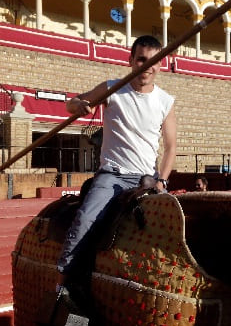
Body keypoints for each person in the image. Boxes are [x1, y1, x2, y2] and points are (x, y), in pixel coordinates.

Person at [56, 35, 177, 296]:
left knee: (172, 227)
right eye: (142, 59)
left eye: (154, 61)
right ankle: (65, 285)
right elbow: (72, 103)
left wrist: (162, 180)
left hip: (148, 178)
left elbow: (171, 148)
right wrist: (79, 105)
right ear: (131, 60)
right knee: (87, 218)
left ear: (161, 65)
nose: (148, 66)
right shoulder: (113, 89)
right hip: (113, 176)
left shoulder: (165, 101)